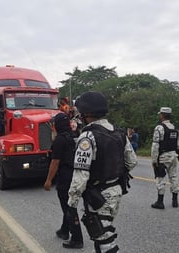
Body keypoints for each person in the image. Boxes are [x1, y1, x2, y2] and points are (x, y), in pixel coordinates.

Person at [67, 91, 137, 253]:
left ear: (87, 113)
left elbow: (80, 175)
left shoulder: (87, 137)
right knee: (103, 235)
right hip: (116, 191)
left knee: (104, 239)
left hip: (98, 196)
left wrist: (72, 203)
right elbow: (132, 162)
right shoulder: (119, 132)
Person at [44, 112, 84, 249]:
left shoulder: (60, 140)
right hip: (76, 173)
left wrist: (48, 180)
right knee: (67, 203)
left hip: (66, 175)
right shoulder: (74, 136)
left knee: (68, 206)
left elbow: (55, 162)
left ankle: (77, 238)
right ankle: (64, 230)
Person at [151, 107, 179, 209]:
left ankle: (160, 201)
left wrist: (154, 160)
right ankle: (175, 200)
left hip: (163, 157)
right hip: (174, 156)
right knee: (174, 177)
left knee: (161, 178)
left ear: (162, 115)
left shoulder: (159, 128)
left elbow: (155, 145)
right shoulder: (174, 128)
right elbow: (177, 144)